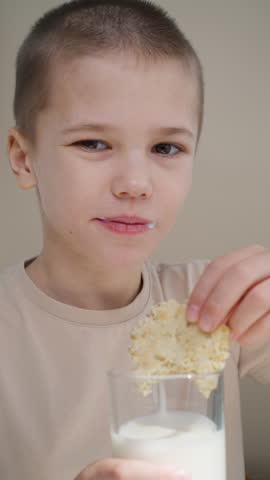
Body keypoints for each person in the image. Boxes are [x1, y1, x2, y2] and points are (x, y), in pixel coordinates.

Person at [2, 0, 269, 479]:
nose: (135, 183)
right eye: (93, 143)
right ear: (23, 158)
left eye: (166, 147)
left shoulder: (217, 306)